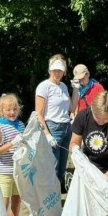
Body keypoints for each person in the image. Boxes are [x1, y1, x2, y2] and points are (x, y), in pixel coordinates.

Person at [69, 91, 108, 206]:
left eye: (106, 119)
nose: (101, 122)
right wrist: (75, 150)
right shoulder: (82, 116)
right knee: (90, 206)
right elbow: (74, 142)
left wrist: (105, 179)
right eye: (98, 117)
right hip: (90, 169)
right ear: (92, 108)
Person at [35, 54, 73, 190]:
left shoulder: (63, 86)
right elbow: (38, 114)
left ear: (64, 71)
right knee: (53, 167)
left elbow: (72, 108)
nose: (57, 73)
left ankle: (56, 200)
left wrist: (75, 90)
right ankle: (50, 200)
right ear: (49, 70)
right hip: (52, 127)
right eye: (54, 70)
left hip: (66, 127)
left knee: (62, 167)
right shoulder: (44, 86)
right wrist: (47, 134)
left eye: (60, 70)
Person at [0, 93, 27, 216]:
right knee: (3, 202)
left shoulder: (21, 125)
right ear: (1, 110)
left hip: (18, 171)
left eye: (14, 109)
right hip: (4, 171)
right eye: (8, 110)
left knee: (17, 200)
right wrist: (13, 143)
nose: (12, 112)